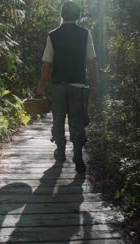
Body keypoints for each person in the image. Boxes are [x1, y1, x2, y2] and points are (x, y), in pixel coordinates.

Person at [36, 0, 98, 173]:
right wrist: (94, 85)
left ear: (62, 15)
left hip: (58, 86)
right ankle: (78, 156)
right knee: (76, 122)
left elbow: (47, 64)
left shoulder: (53, 35)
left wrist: (41, 88)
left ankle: (61, 152)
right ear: (78, 15)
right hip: (78, 85)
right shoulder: (85, 34)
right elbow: (91, 61)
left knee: (58, 120)